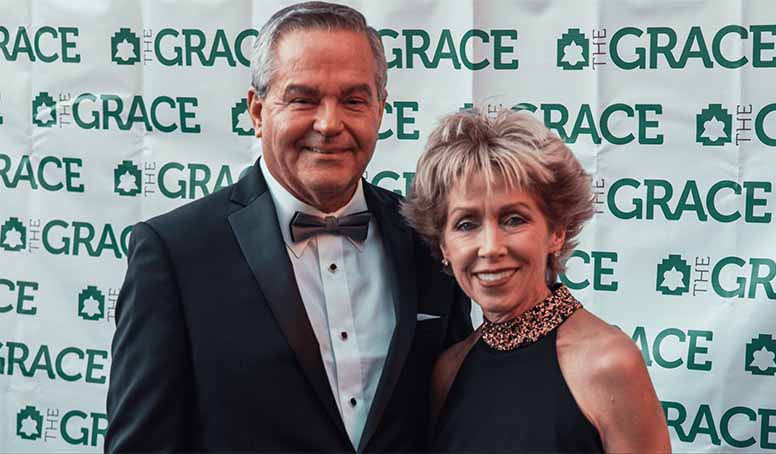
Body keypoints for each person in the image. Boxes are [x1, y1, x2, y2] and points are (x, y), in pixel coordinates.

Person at [105, 2, 471, 452]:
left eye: (354, 100)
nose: (329, 123)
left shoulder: (430, 236)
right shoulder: (174, 252)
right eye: (304, 99)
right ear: (258, 111)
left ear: (380, 110)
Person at [401, 108, 671, 452]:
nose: (491, 247)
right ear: (443, 246)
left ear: (556, 231)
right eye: (466, 224)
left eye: (513, 219)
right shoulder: (448, 371)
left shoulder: (608, 363)